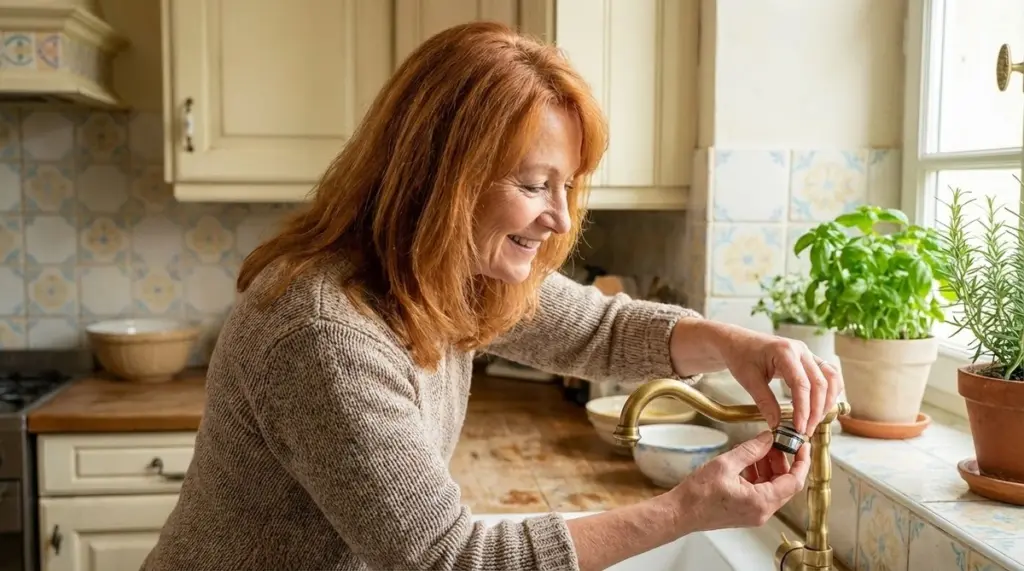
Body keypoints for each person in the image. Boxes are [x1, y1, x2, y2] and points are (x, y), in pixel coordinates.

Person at [141, 21, 843, 571]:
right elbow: (446, 559)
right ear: (441, 177)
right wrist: (684, 509)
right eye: (534, 184)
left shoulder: (446, 275)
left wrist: (735, 343)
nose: (561, 218)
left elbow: (597, 330)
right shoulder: (327, 332)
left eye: (567, 185)